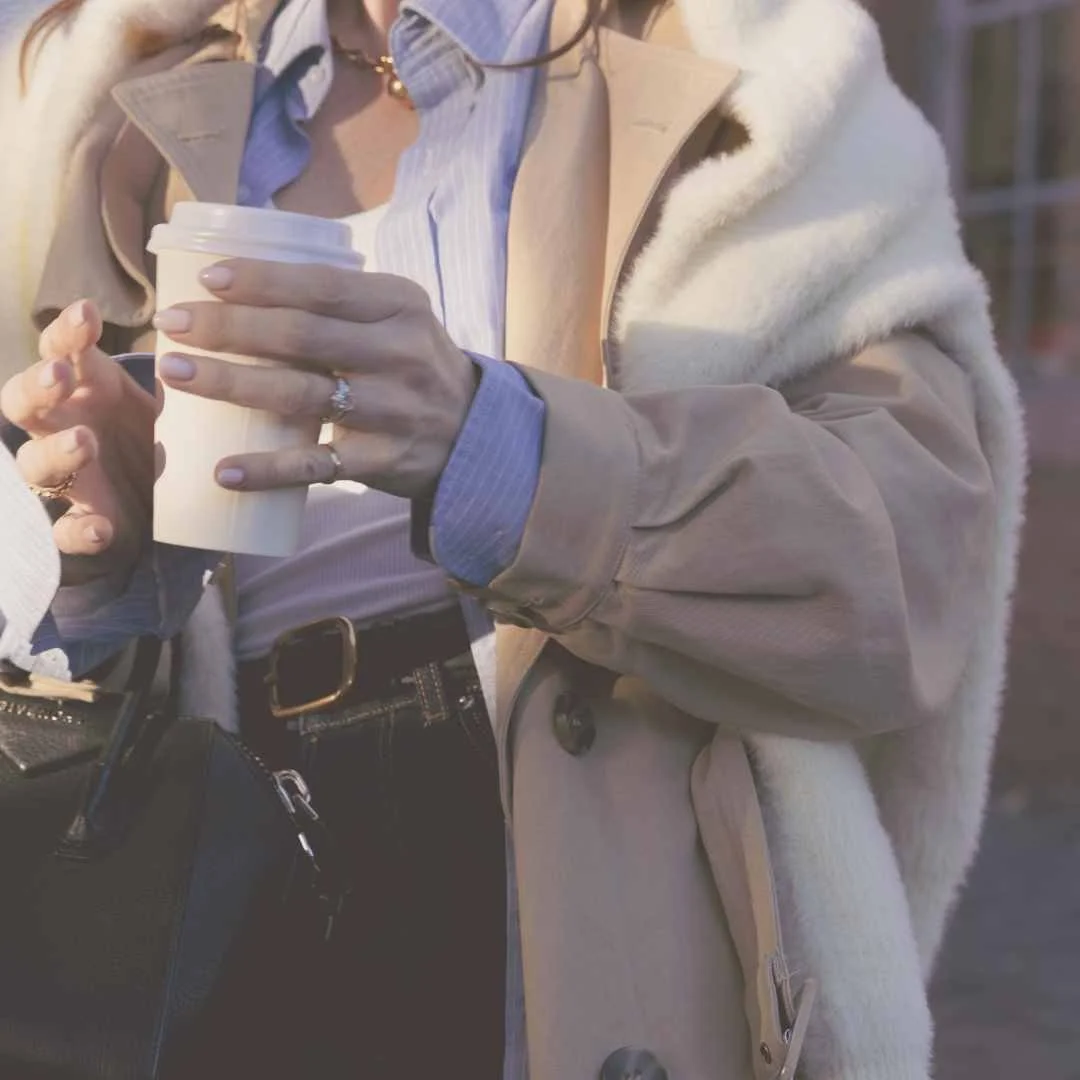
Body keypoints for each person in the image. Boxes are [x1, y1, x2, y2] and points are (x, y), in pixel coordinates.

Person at [0, 0, 1026, 1078]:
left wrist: (494, 447)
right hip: (231, 873)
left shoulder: (753, 68)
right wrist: (100, 560)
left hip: (595, 889)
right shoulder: (110, 100)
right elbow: (65, 663)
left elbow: (909, 565)